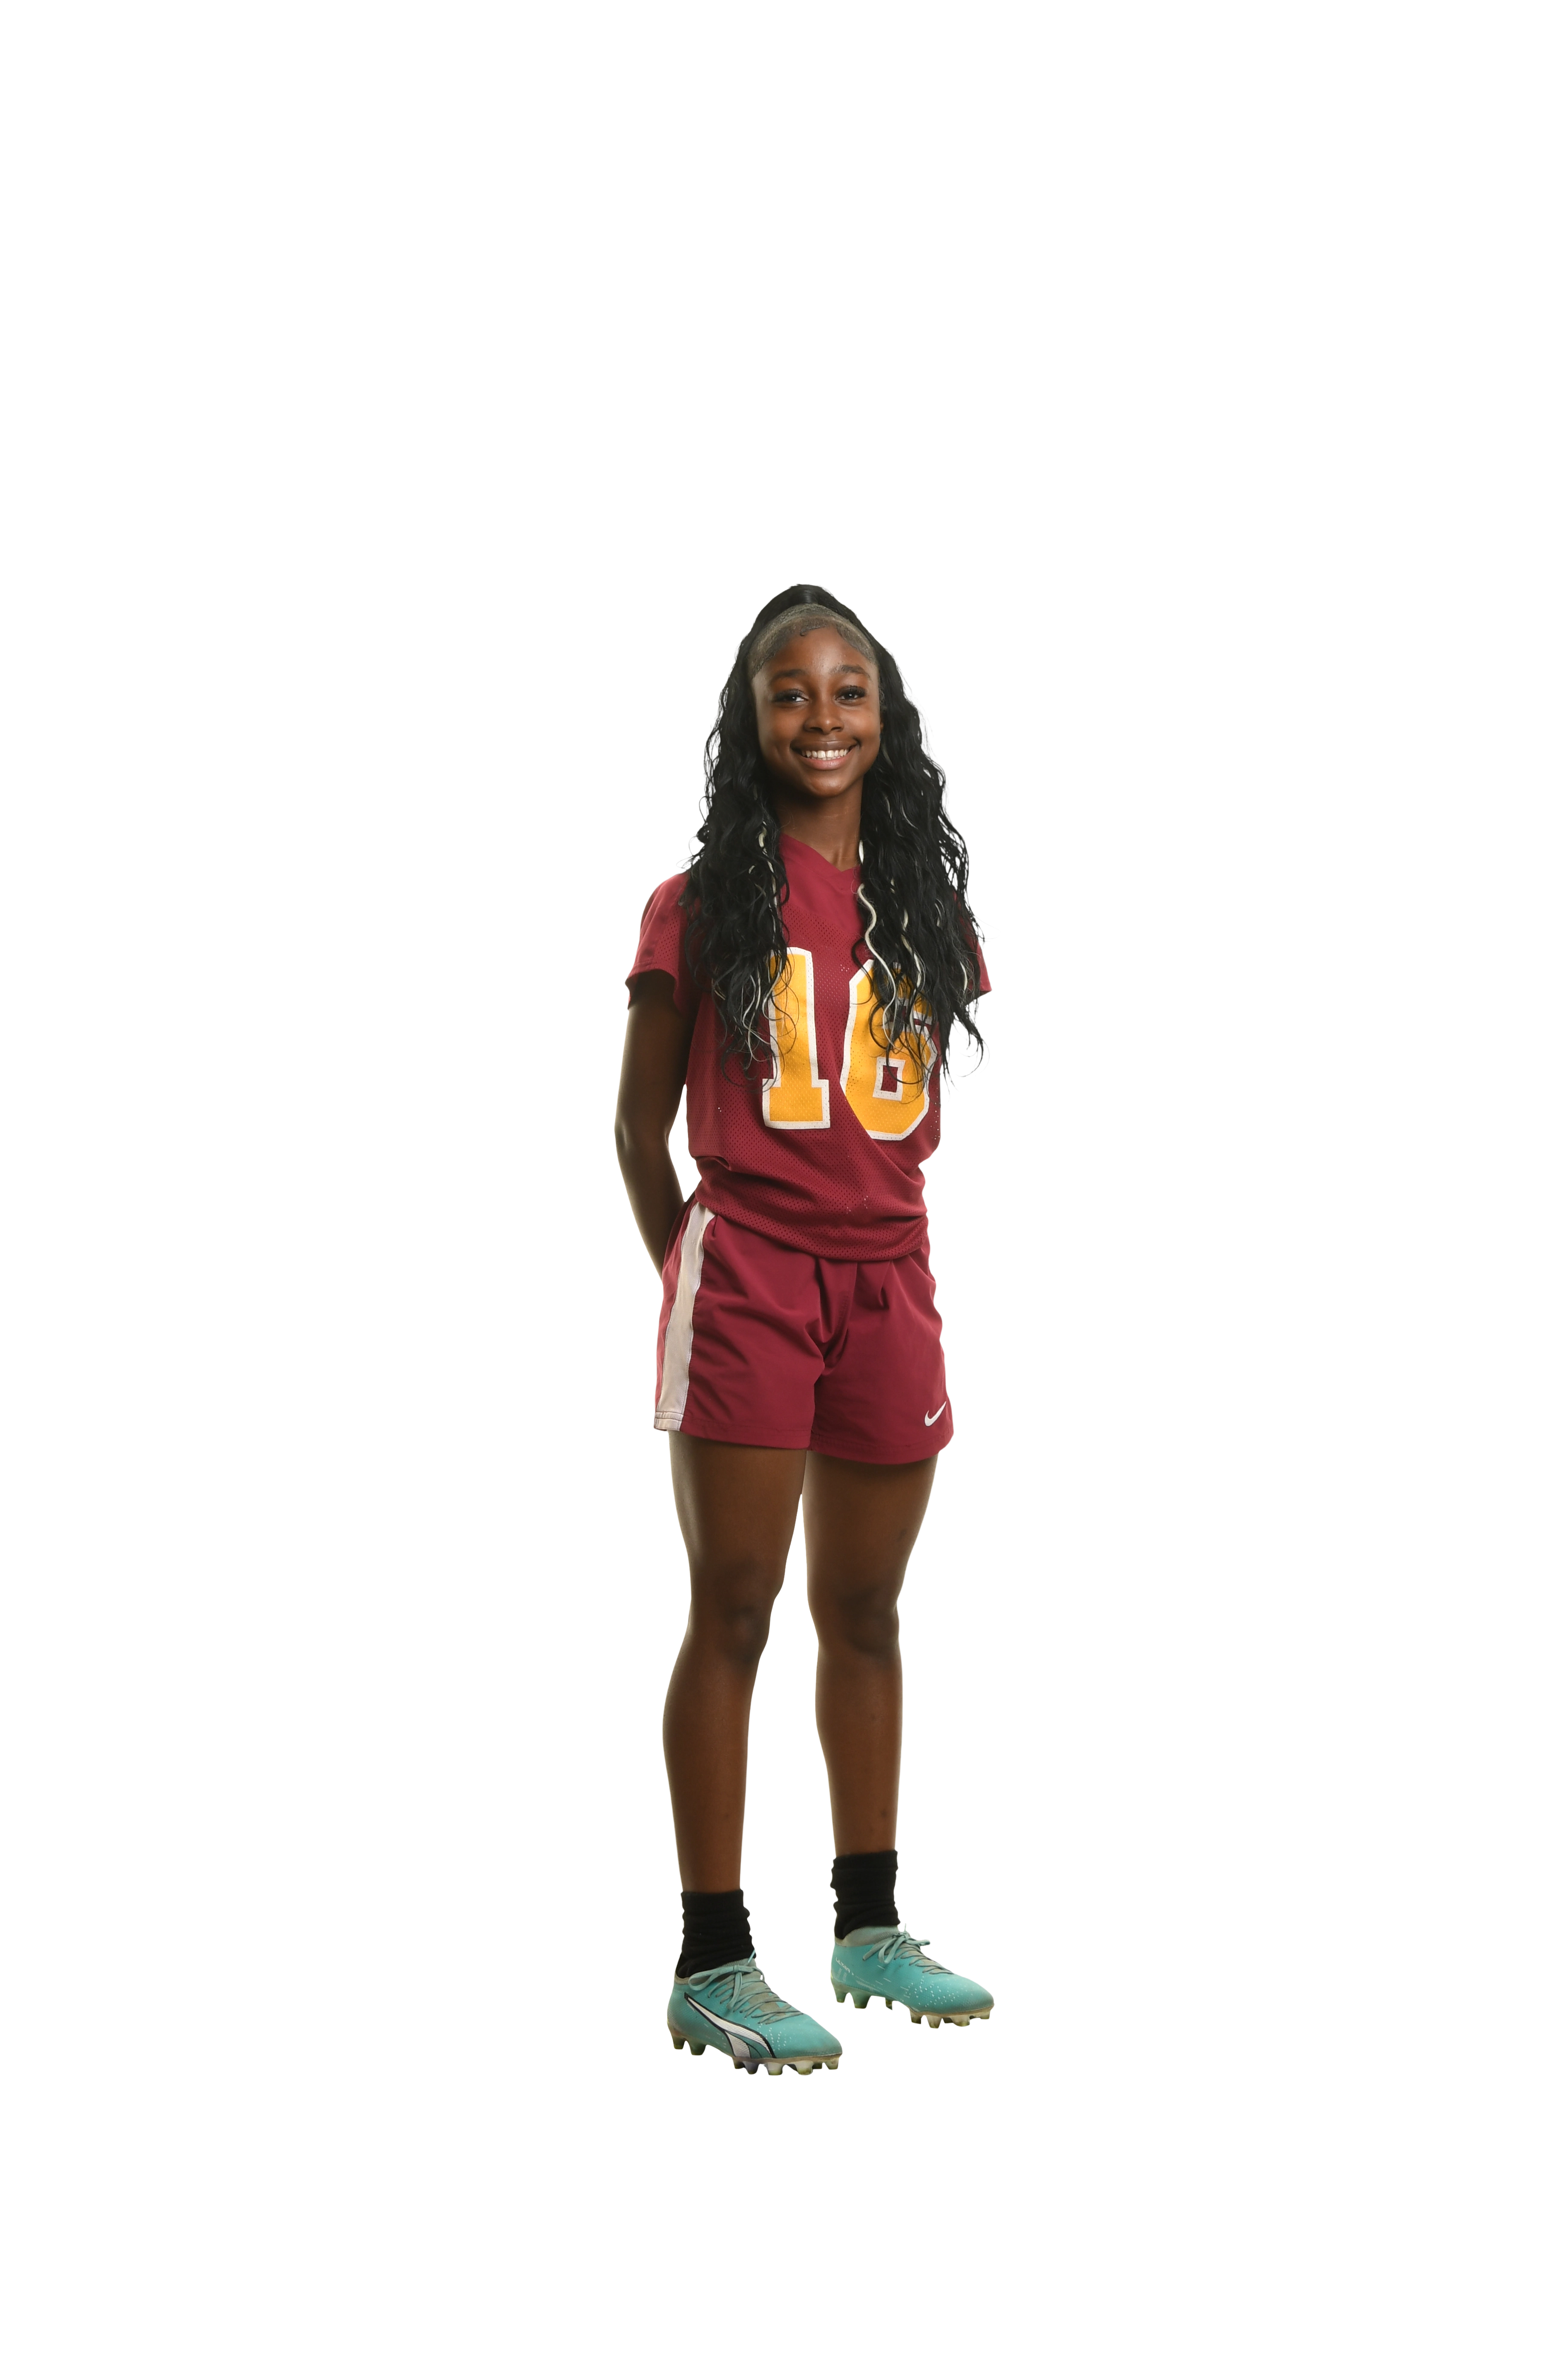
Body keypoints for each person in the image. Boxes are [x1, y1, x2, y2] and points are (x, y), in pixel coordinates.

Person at [613, 582, 1000, 2080]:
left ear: (885, 715)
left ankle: (868, 1925)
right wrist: (699, 1282)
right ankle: (712, 1960)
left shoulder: (928, 905)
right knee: (735, 1606)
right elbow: (637, 1131)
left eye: (849, 691)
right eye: (792, 692)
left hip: (891, 1278)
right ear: (751, 717)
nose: (823, 717)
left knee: (868, 1612)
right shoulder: (703, 901)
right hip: (754, 1273)